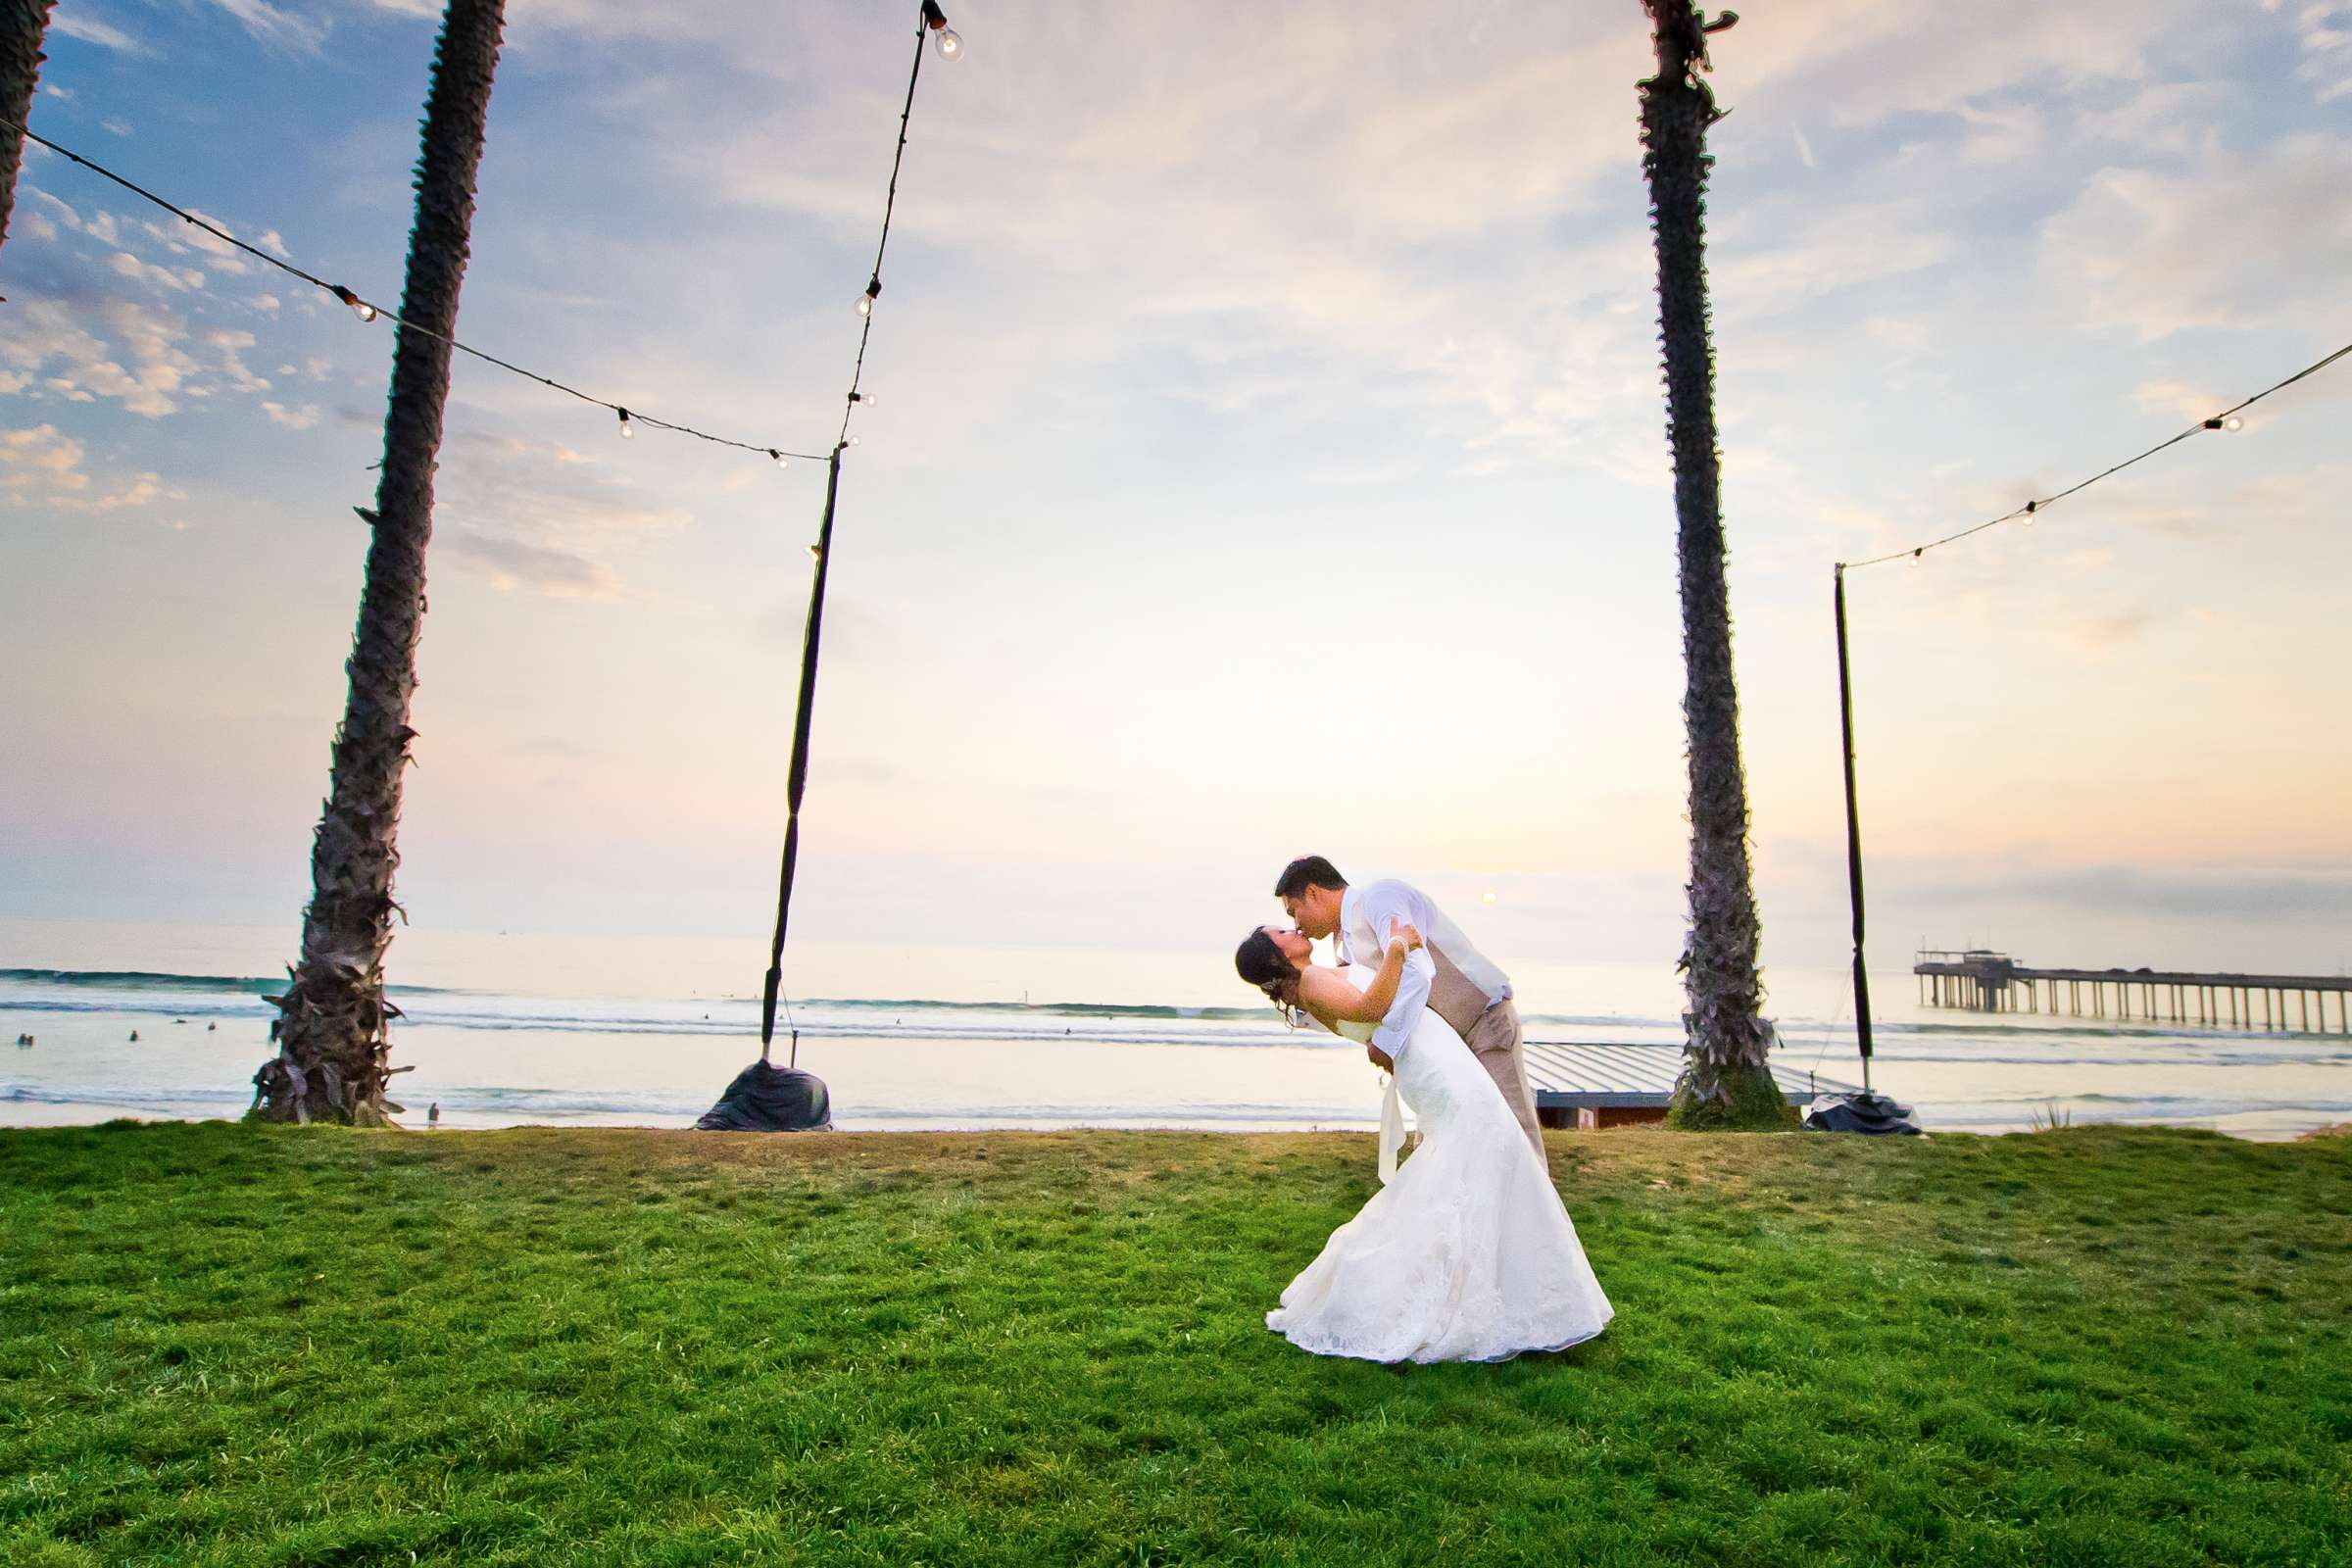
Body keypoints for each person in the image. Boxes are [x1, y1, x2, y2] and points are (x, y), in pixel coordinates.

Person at [1232, 882, 1612, 1365]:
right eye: (1283, 929)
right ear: (1276, 957)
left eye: (1290, 917)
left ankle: (1510, 1288)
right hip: (1436, 1067)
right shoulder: (1312, 983)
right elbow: (1371, 1008)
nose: (1294, 927)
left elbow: (1375, 1005)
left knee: (1478, 1159)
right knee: (1483, 1150)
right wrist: (1396, 948)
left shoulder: (1321, 973)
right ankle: (1474, 1293)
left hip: (1438, 1057)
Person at [1274, 855, 1544, 1156]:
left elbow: (1418, 971)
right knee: (1442, 1145)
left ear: (1313, 893)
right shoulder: (1342, 945)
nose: (1296, 926)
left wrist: (1388, 1043)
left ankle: (1534, 1203)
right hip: (1443, 1049)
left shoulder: (1381, 898)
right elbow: (1371, 1002)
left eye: (1294, 911)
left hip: (1484, 1023)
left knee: (1514, 1133)